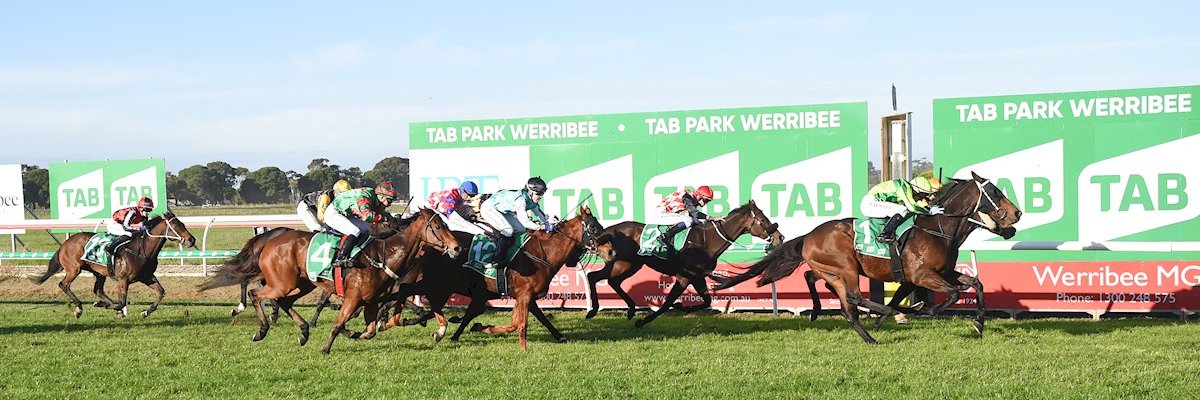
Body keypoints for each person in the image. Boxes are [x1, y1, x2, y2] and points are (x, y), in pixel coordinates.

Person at [480, 177, 554, 266]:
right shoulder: (520, 201)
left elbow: (542, 216)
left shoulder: (531, 200)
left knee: (521, 229)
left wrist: (552, 222)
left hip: (501, 210)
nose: (541, 196)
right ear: (530, 192)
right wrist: (542, 227)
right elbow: (525, 222)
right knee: (508, 230)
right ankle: (497, 259)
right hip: (489, 209)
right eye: (539, 193)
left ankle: (508, 249)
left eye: (542, 193)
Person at [325, 181, 398, 267]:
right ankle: (340, 258)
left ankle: (357, 255)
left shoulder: (376, 199)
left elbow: (381, 213)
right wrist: (385, 218)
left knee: (367, 230)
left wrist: (394, 220)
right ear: (382, 196)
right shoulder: (365, 197)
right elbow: (367, 216)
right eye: (389, 200)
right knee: (355, 231)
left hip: (346, 214)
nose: (390, 204)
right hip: (333, 213)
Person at [861, 176, 944, 243]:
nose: (922, 197)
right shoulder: (902, 187)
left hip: (875, 203)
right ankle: (883, 235)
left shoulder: (907, 188)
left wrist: (928, 207)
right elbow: (912, 207)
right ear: (917, 190)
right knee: (902, 210)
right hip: (870, 203)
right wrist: (929, 212)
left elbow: (916, 204)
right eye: (923, 194)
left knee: (901, 210)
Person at [655, 185, 718, 253]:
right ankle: (665, 236)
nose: (705, 204)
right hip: (661, 213)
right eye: (705, 200)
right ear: (699, 196)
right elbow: (693, 213)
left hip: (669, 214)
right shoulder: (687, 196)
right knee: (689, 220)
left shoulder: (693, 199)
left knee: (695, 221)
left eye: (707, 202)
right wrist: (711, 218)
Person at [104, 197, 154, 274]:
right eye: (147, 210)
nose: (148, 212)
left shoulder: (144, 216)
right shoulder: (132, 212)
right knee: (129, 234)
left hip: (122, 225)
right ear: (141, 208)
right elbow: (126, 227)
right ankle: (110, 248)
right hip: (114, 224)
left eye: (150, 210)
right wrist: (138, 229)